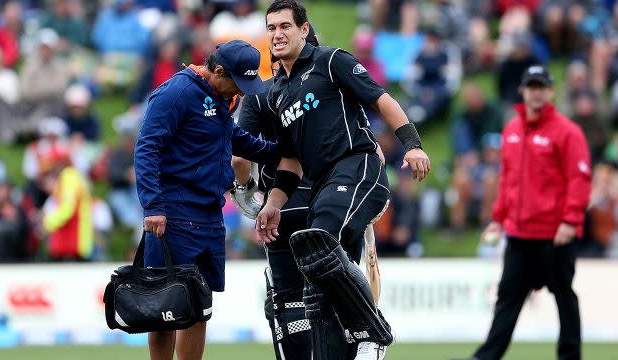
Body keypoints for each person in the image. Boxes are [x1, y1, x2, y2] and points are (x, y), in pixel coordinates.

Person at [256, 1, 431, 359]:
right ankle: (346, 345)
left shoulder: (331, 60)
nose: (277, 34)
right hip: (323, 186)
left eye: (285, 26)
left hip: (357, 167)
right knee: (316, 277)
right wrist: (272, 205)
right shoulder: (276, 94)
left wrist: (411, 145)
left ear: (304, 30)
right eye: (271, 27)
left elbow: (381, 99)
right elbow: (290, 161)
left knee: (318, 244)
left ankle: (374, 332)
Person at [134, 39, 277, 360]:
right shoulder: (177, 93)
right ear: (218, 70)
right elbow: (147, 148)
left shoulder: (219, 98)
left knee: (200, 305)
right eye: (236, 83)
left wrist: (280, 153)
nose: (239, 92)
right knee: (166, 308)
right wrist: (153, 206)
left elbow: (234, 139)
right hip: (172, 213)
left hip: (210, 215)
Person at [457, 65, 591, 360]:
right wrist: (498, 220)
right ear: (522, 91)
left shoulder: (568, 132)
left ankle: (570, 356)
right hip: (519, 235)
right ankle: (486, 356)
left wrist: (571, 220)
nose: (536, 92)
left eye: (541, 86)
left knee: (564, 295)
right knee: (508, 297)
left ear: (551, 91)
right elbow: (507, 180)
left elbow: (579, 178)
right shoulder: (512, 130)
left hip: (554, 233)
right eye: (531, 86)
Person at [232, 25, 319, 360]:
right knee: (334, 296)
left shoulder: (260, 96)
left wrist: (247, 193)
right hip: (329, 204)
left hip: (281, 209)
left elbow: (239, 157)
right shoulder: (330, 88)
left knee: (288, 300)